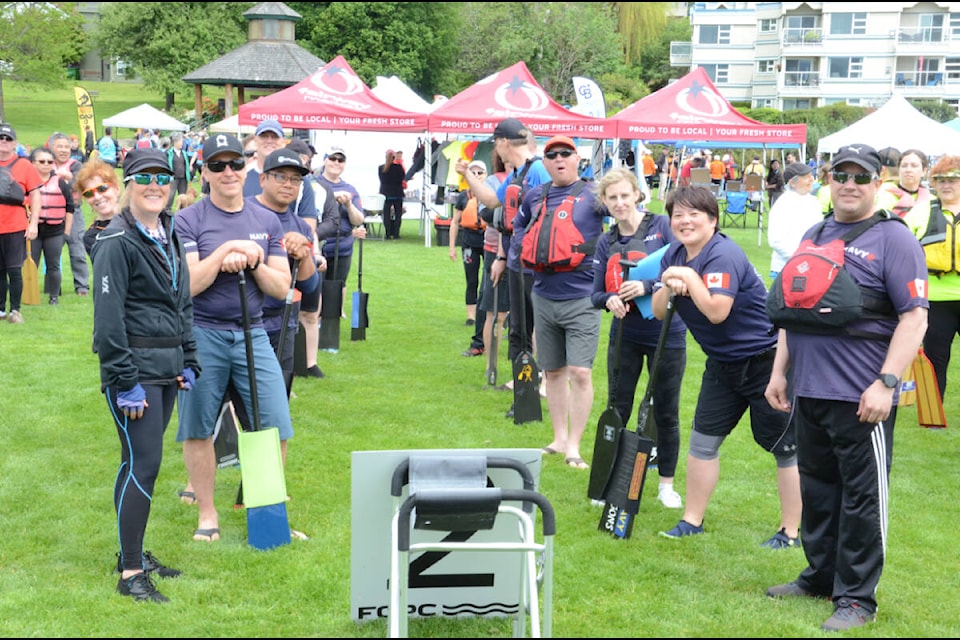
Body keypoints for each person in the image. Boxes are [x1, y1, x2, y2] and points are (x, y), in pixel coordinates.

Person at [764, 144, 928, 632]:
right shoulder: (814, 233)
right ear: (827, 179)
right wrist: (779, 372)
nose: (849, 184)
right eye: (841, 175)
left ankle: (857, 598)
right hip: (809, 389)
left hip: (862, 397)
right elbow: (795, 310)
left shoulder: (893, 239)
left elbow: (915, 317)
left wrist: (886, 383)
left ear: (879, 182)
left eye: (861, 176)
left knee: (862, 498)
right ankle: (820, 576)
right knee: (818, 489)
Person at [651, 185, 802, 547]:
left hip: (766, 362)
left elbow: (717, 311)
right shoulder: (673, 253)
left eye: (694, 214)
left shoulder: (723, 254)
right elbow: (659, 312)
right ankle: (691, 521)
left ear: (713, 220)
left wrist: (687, 279)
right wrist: (669, 284)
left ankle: (791, 531)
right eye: (677, 215)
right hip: (721, 365)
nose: (685, 221)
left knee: (785, 448)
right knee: (702, 442)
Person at [90, 148, 199, 603]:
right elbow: (108, 320)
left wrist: (188, 357)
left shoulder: (169, 230)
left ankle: (128, 554)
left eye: (162, 177)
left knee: (135, 462)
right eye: (144, 177)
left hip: (166, 367)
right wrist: (124, 379)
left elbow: (182, 300)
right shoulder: (116, 241)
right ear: (129, 184)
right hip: (133, 373)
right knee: (145, 464)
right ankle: (131, 572)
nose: (155, 185)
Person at [174, 132, 293, 543]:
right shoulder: (189, 220)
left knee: (274, 426)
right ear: (204, 171)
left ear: (247, 169)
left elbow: (282, 287)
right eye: (218, 165)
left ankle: (266, 513)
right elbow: (188, 284)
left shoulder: (267, 220)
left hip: (252, 332)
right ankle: (207, 515)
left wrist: (254, 260)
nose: (229, 172)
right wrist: (226, 252)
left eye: (236, 164)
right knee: (197, 428)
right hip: (202, 334)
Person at [590, 168, 687, 507]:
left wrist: (647, 286)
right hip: (625, 335)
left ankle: (666, 486)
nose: (619, 203)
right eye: (612, 198)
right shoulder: (606, 240)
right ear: (604, 202)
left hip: (666, 333)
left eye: (624, 196)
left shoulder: (662, 226)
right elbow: (595, 294)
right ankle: (607, 483)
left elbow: (682, 270)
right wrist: (610, 299)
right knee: (618, 407)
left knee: (666, 411)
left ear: (637, 195)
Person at [511, 135, 606, 469]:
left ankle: (575, 448)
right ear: (545, 162)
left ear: (577, 158)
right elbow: (519, 225)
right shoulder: (536, 195)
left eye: (566, 153)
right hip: (543, 294)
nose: (559, 159)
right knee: (552, 371)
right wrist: (513, 260)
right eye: (552, 155)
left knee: (580, 372)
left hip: (582, 297)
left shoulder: (595, 194)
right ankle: (559, 438)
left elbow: (626, 218)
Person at [456, 118, 551, 420]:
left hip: (533, 265)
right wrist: (469, 175)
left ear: (504, 143)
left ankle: (537, 388)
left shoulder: (536, 170)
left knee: (534, 329)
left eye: (496, 143)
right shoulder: (518, 173)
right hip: (515, 261)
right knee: (519, 332)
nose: (496, 148)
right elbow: (493, 202)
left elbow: (543, 214)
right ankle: (524, 396)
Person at [248, 147, 320, 394]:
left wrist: (304, 253)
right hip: (243, 324)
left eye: (296, 179)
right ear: (263, 178)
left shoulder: (300, 226)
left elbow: (310, 287)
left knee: (276, 403)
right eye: (280, 176)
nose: (288, 184)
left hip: (283, 325)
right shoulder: (243, 213)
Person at [903, 154, 960, 402]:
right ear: (933, 183)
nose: (947, 185)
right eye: (940, 180)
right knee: (935, 357)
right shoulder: (920, 213)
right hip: (935, 299)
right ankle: (932, 409)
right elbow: (901, 248)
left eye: (953, 180)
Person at [285, 137, 335, 379]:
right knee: (285, 313)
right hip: (280, 256)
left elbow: (311, 226)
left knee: (311, 310)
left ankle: (310, 362)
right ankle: (288, 367)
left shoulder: (311, 187)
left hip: (304, 251)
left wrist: (314, 252)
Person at [316, 144, 367, 324]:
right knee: (317, 285)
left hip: (343, 245)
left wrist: (348, 204)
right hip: (319, 244)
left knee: (338, 283)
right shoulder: (315, 183)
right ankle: (316, 317)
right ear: (324, 160)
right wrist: (334, 195)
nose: (336, 163)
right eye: (332, 159)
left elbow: (358, 219)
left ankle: (333, 316)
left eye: (340, 160)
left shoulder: (351, 188)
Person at [0, 122, 42, 324]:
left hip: (15, 226)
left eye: (8, 139)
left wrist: (33, 223)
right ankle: (0, 309)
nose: (4, 142)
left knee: (14, 269)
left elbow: (35, 195)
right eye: (1, 138)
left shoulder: (24, 165)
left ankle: (15, 310)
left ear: (14, 143)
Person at [29, 146, 74, 305]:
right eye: (42, 161)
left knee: (53, 265)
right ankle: (28, 295)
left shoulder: (61, 183)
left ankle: (53, 297)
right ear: (33, 163)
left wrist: (66, 232)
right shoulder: (27, 182)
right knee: (30, 264)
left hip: (55, 231)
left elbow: (70, 207)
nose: (46, 164)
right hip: (33, 231)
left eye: (50, 162)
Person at [451, 159, 488, 341]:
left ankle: (492, 312)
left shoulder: (491, 194)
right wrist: (452, 248)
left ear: (486, 175)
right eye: (473, 172)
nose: (477, 176)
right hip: (469, 241)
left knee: (489, 280)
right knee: (471, 279)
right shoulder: (463, 197)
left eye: (480, 172)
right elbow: (455, 222)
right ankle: (471, 315)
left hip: (488, 241)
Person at [767, 162, 823, 279]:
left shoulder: (813, 202)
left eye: (811, 176)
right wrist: (799, 258)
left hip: (811, 267)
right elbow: (776, 240)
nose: (811, 179)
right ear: (793, 182)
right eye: (806, 177)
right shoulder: (783, 204)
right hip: (785, 268)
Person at [50, 132, 89, 297]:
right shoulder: (46, 163)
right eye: (59, 146)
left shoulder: (76, 165)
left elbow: (78, 184)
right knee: (52, 251)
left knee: (77, 249)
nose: (64, 150)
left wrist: (63, 179)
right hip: (51, 212)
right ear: (52, 148)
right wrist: (63, 179)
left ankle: (82, 286)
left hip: (74, 211)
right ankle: (53, 288)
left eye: (66, 146)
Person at [76, 158, 122, 256]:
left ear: (117, 188)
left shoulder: (138, 219)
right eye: (89, 193)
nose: (97, 197)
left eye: (102, 188)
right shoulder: (92, 237)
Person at [876, 148, 930, 218]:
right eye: (904, 166)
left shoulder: (931, 199)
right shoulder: (885, 195)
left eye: (914, 166)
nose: (908, 170)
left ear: (924, 171)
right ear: (899, 169)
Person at [378, 149, 406, 240]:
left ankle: (387, 234)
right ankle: (396, 234)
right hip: (397, 193)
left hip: (385, 193)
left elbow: (381, 180)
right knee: (398, 214)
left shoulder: (381, 168)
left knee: (386, 214)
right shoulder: (398, 167)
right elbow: (402, 178)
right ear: (394, 157)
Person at [165, 132, 195, 208]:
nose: (182, 143)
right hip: (173, 178)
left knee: (183, 195)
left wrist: (188, 174)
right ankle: (167, 209)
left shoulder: (184, 153)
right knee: (171, 194)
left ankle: (182, 211)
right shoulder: (169, 153)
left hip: (183, 178)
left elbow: (187, 164)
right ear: (175, 142)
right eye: (181, 142)